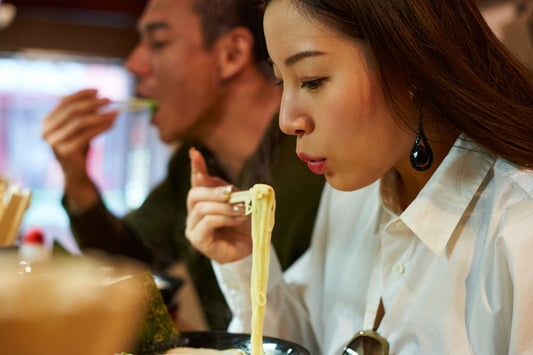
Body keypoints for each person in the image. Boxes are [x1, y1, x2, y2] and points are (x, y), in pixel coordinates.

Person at [185, 0, 533, 353]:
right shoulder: (350, 195)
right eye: (280, 80)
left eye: (312, 80)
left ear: (410, 65)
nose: (287, 121)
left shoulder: (520, 228)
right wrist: (244, 258)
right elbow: (308, 339)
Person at [41, 0, 324, 331]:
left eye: (158, 42)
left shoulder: (320, 162)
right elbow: (131, 269)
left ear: (231, 54)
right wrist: (77, 181)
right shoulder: (195, 162)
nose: (134, 63)